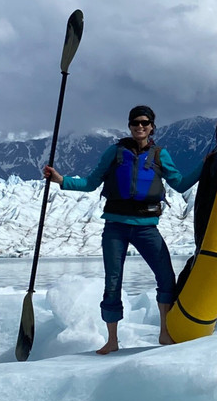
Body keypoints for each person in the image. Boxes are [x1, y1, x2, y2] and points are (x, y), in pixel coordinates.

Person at [44, 105, 200, 354]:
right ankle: (112, 340)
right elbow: (91, 182)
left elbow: (180, 184)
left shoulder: (160, 155)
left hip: (146, 227)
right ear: (129, 125)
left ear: (152, 127)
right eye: (135, 123)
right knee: (113, 282)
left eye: (145, 123)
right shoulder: (114, 152)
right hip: (115, 226)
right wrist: (62, 180)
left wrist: (207, 164)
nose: (140, 127)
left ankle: (165, 332)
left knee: (166, 278)